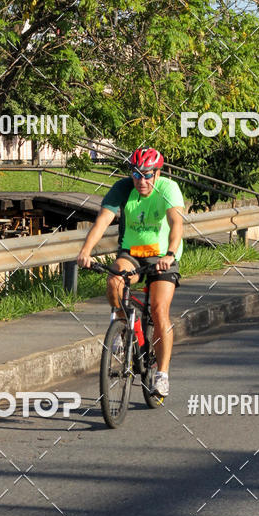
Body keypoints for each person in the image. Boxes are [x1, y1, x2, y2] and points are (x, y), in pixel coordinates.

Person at [77, 147, 184, 397]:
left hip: (162, 256)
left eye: (147, 175)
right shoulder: (123, 188)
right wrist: (85, 251)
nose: (141, 180)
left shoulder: (168, 189)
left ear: (158, 173)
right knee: (115, 282)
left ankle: (162, 374)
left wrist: (170, 253)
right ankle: (123, 326)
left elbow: (176, 222)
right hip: (132, 252)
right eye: (136, 174)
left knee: (158, 310)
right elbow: (102, 220)